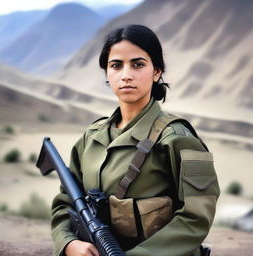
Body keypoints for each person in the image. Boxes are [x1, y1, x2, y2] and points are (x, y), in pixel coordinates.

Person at [51, 24, 220, 256]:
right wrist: (69, 243)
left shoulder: (177, 139)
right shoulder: (91, 137)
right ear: (107, 74)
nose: (126, 75)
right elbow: (65, 202)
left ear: (157, 72)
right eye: (116, 65)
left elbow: (196, 219)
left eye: (138, 64)